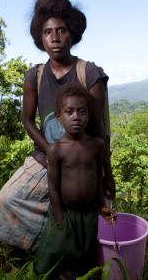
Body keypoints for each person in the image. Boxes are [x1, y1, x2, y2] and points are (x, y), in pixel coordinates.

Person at [0, 0, 116, 261]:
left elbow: (98, 127)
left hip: (82, 158)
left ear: (72, 34)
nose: (55, 37)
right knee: (9, 198)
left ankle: (60, 250)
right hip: (45, 155)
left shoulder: (88, 74)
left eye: (61, 31)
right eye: (48, 32)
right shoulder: (34, 76)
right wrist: (51, 151)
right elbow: (27, 119)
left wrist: (106, 173)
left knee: (85, 208)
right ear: (40, 38)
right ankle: (24, 246)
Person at [36, 83, 117, 278]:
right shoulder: (56, 150)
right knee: (59, 244)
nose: (76, 117)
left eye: (82, 112)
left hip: (89, 210)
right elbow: (53, 188)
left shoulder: (96, 145)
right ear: (59, 117)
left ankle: (78, 273)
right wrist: (60, 216)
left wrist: (101, 206)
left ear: (88, 115)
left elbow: (98, 178)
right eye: (69, 112)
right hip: (66, 209)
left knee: (85, 245)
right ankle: (48, 272)